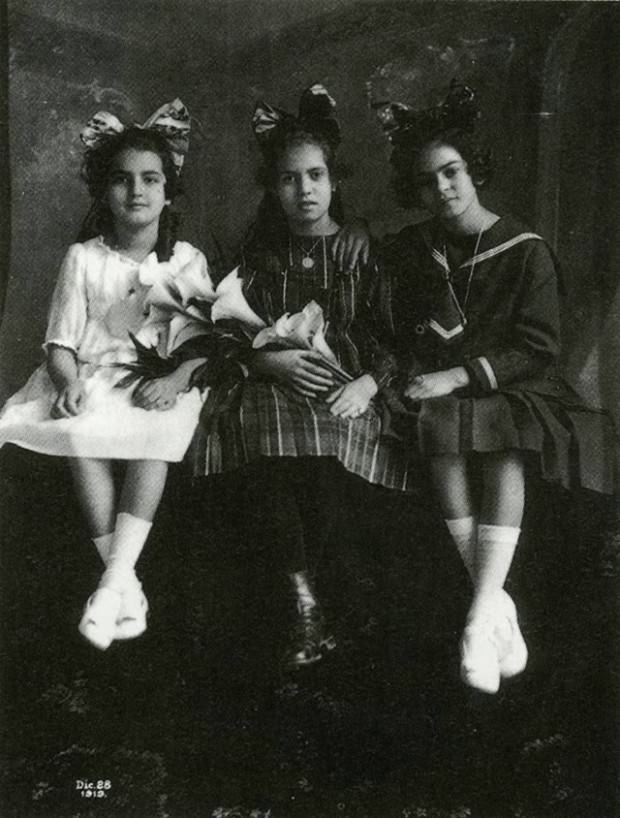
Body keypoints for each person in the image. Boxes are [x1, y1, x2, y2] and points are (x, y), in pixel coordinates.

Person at [369, 81, 615, 693]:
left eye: (451, 172)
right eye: (426, 182)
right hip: (444, 389)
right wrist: (423, 373)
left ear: (473, 169)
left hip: (517, 383)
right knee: (440, 425)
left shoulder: (524, 251)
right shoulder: (413, 250)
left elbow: (539, 347)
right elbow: (398, 325)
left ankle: (479, 616)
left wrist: (459, 373)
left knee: (500, 430)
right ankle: (493, 613)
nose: (442, 190)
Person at [190, 84, 411, 669]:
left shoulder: (362, 253)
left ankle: (331, 593)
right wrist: (265, 360)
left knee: (328, 443)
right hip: (274, 382)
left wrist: (368, 384)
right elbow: (227, 331)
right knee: (264, 431)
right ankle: (303, 601)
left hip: (347, 385)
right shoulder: (261, 258)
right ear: (274, 187)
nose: (304, 189)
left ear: (334, 181)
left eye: (315, 175)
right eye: (289, 178)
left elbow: (394, 336)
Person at [0, 100, 214, 650]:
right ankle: (122, 582)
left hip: (160, 381)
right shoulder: (83, 258)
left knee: (157, 435)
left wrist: (176, 379)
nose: (136, 192)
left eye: (150, 180)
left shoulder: (185, 259)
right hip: (93, 375)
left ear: (169, 191)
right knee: (77, 430)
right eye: (121, 181)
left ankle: (113, 582)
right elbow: (61, 341)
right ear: (103, 192)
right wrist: (68, 380)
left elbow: (206, 344)